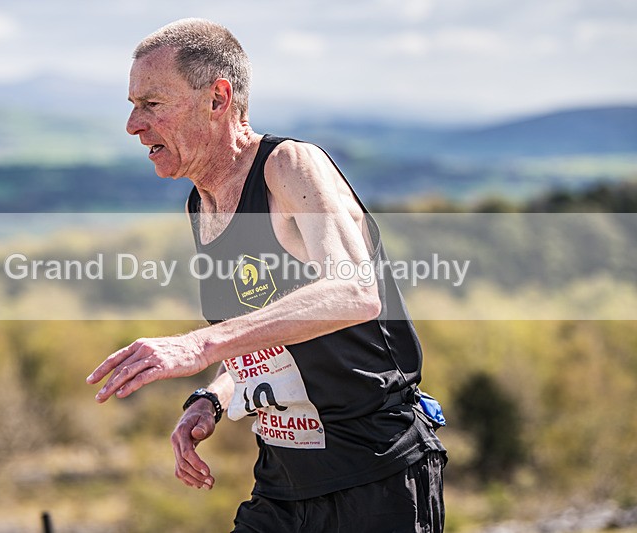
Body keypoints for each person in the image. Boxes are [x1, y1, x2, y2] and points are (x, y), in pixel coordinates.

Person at [87, 18, 447, 532]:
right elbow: (275, 338)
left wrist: (200, 345)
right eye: (132, 105)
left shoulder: (290, 167)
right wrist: (212, 398)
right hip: (282, 484)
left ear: (218, 98)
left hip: (375, 476)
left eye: (152, 104)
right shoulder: (202, 204)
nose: (133, 125)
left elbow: (355, 291)